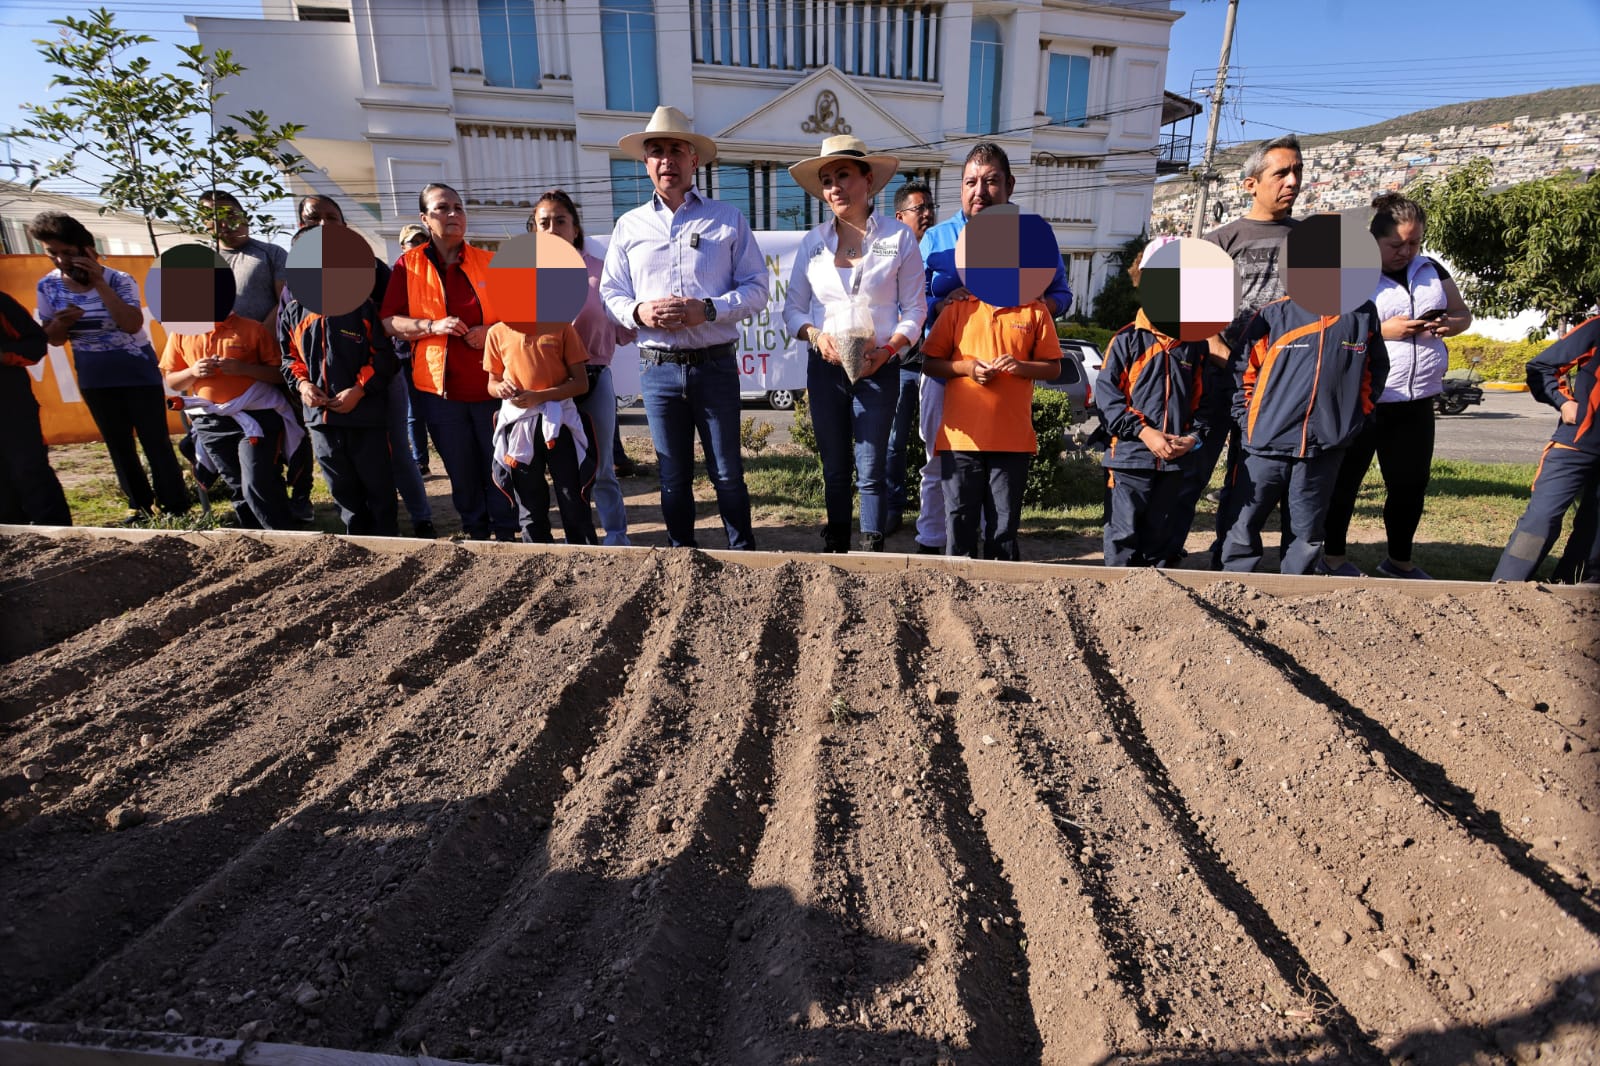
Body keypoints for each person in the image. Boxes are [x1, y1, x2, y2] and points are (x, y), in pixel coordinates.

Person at [600, 106, 768, 550]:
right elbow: (611, 291)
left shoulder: (727, 219)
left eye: (677, 149)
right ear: (646, 163)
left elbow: (757, 289)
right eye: (656, 151)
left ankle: (742, 555)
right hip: (658, 370)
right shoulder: (628, 226)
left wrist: (707, 310)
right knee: (672, 476)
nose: (666, 159)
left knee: (727, 472)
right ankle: (682, 559)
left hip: (715, 366)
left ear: (695, 160)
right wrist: (639, 314)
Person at [918, 142, 1072, 554]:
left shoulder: (1031, 237)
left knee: (997, 478)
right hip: (949, 367)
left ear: (1009, 186)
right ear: (960, 187)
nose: (979, 191)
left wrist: (1028, 302)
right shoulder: (935, 238)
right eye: (970, 182)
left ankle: (992, 549)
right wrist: (944, 304)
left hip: (1007, 383)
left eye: (990, 181)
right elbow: (913, 301)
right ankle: (935, 543)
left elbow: (1061, 294)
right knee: (941, 461)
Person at [782, 137, 926, 552]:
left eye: (842, 175)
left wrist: (888, 350)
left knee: (871, 467)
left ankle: (871, 548)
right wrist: (816, 336)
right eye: (827, 180)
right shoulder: (812, 242)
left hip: (879, 365)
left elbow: (915, 310)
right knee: (835, 467)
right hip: (826, 368)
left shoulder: (899, 237)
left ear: (868, 180)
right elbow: (793, 310)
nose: (834, 187)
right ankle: (837, 545)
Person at [1320, 193, 1473, 579]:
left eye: (1414, 243)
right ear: (1374, 241)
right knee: (1345, 482)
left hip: (1417, 397)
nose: (1406, 251)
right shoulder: (1353, 271)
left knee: (1409, 485)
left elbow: (1462, 313)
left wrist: (1451, 325)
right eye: (1396, 244)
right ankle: (1333, 557)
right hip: (1366, 397)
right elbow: (1331, 326)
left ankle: (1399, 562)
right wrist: (1384, 329)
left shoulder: (1431, 269)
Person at [1171, 135, 1305, 568]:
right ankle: (1167, 552)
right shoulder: (1218, 241)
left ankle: (1228, 559)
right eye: (1281, 172)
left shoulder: (1310, 242)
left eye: (1297, 171)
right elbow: (1188, 309)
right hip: (1213, 379)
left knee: (1250, 479)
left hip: (1274, 388)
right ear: (1250, 184)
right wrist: (1218, 349)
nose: (1292, 181)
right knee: (1191, 472)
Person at [28, 211, 190, 520]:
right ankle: (139, 506)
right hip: (94, 376)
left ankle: (176, 506)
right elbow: (53, 340)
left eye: (67, 252)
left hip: (136, 372)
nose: (61, 259)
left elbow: (131, 324)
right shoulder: (47, 287)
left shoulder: (118, 279)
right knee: (118, 444)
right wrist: (60, 324)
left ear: (86, 249)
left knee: (155, 441)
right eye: (53, 253)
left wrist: (100, 283)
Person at [381, 182, 518, 541]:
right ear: (425, 218)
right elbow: (389, 321)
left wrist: (488, 329)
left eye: (459, 207)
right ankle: (475, 533)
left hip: (491, 385)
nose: (454, 214)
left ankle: (505, 533)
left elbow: (517, 318)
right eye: (443, 208)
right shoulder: (407, 266)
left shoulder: (489, 262)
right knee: (460, 470)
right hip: (440, 391)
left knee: (499, 466)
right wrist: (431, 325)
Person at [1219, 282, 1386, 574]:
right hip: (1264, 444)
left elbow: (1373, 373)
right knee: (1243, 523)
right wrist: (1248, 421)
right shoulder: (1274, 315)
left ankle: (1295, 592)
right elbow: (1242, 370)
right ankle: (1232, 586)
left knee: (1307, 531)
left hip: (1325, 447)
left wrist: (1353, 419)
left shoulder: (1363, 316)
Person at [296, 195, 436, 538]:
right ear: (301, 226)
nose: (325, 224)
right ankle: (363, 529)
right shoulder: (297, 274)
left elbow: (393, 317)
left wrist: (364, 380)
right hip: (326, 391)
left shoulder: (371, 267)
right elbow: (291, 335)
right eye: (315, 218)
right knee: (344, 466)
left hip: (378, 377)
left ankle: (421, 520)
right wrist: (305, 383)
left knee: (398, 453)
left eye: (333, 217)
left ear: (344, 224)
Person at [1097, 242, 1221, 566]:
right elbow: (1109, 402)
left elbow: (1205, 405)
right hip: (1130, 461)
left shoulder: (1194, 347)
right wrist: (1144, 432)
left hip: (1174, 465)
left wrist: (1193, 439)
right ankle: (1118, 608)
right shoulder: (1126, 340)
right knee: (1123, 538)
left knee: (1162, 541)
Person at [202, 188, 313, 523]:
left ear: (243, 214)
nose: (224, 221)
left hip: (271, 356)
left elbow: (284, 303)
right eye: (214, 215)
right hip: (224, 369)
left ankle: (301, 494)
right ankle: (260, 498)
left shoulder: (269, 254)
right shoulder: (205, 259)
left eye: (229, 212)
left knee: (293, 425)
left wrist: (254, 336)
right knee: (249, 441)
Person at [280, 224, 399, 536]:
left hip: (365, 416)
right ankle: (358, 543)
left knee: (378, 485)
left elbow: (385, 357)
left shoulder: (362, 306)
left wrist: (359, 390)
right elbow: (289, 359)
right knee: (342, 488)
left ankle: (389, 540)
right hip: (321, 420)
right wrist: (303, 386)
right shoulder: (293, 312)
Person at [530, 190, 635, 545]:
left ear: (575, 229)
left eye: (561, 220)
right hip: (543, 389)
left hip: (593, 381)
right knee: (553, 470)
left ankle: (616, 536)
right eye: (543, 222)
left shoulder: (600, 274)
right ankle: (576, 538)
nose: (552, 228)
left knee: (603, 466)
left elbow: (624, 331)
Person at [161, 311, 301, 530]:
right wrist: (193, 371)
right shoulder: (181, 333)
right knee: (236, 483)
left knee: (256, 480)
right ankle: (256, 539)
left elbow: (280, 374)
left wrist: (243, 369)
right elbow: (172, 381)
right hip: (210, 423)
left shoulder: (252, 328)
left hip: (256, 417)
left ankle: (283, 534)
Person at [1491, 316, 1600, 583]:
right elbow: (1541, 366)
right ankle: (1506, 587)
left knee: (1595, 531)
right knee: (1541, 520)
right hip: (1574, 446)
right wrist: (1564, 402)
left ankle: (1576, 587)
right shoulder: (1597, 328)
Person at [484, 314, 597, 545]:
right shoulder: (497, 332)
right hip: (519, 426)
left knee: (571, 494)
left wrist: (541, 397)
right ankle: (536, 555)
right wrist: (501, 388)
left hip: (560, 424)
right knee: (528, 498)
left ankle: (585, 554)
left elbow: (580, 383)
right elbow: (492, 383)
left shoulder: (561, 327)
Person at [885, 179, 937, 537]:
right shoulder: (888, 256)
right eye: (920, 209)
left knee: (938, 444)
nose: (928, 214)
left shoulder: (942, 254)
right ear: (900, 215)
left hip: (940, 365)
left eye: (931, 207)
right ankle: (891, 509)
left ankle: (935, 514)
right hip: (902, 365)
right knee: (893, 442)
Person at [0, 290, 71, 525]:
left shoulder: (2, 302)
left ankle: (59, 536)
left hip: (10, 405)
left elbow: (35, 345)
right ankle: (14, 540)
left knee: (28, 468)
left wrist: (4, 356)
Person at [396, 223, 437, 479]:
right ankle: (420, 461)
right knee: (414, 412)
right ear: (403, 246)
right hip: (403, 354)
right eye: (413, 241)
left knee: (438, 409)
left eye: (422, 240)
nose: (418, 246)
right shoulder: (395, 275)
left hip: (432, 351)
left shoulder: (435, 275)